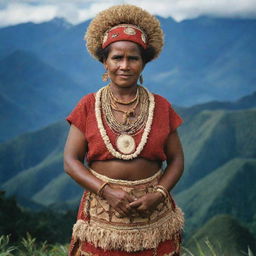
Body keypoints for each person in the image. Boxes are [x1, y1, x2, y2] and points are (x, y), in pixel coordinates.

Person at [64, 4, 184, 256]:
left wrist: (159, 194)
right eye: (117, 57)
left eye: (133, 58)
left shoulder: (161, 106)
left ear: (143, 63)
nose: (125, 65)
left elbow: (176, 160)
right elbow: (70, 161)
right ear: (105, 62)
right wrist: (106, 192)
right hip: (102, 215)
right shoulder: (87, 105)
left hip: (154, 216)